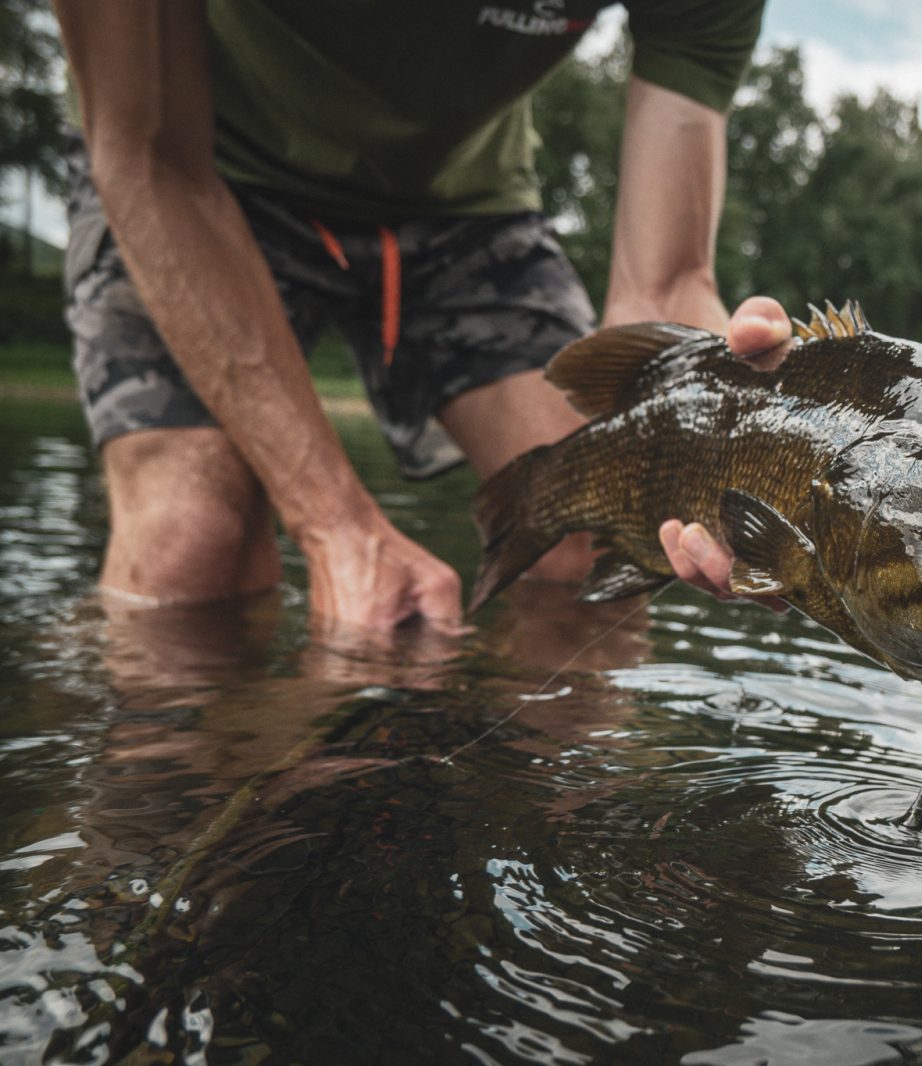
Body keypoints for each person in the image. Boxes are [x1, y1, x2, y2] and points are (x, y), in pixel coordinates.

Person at [52, 1, 793, 634]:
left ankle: (555, 795)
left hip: (463, 203)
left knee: (588, 538)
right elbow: (147, 156)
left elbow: (662, 286)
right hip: (200, 169)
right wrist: (334, 527)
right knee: (191, 545)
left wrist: (746, 439)